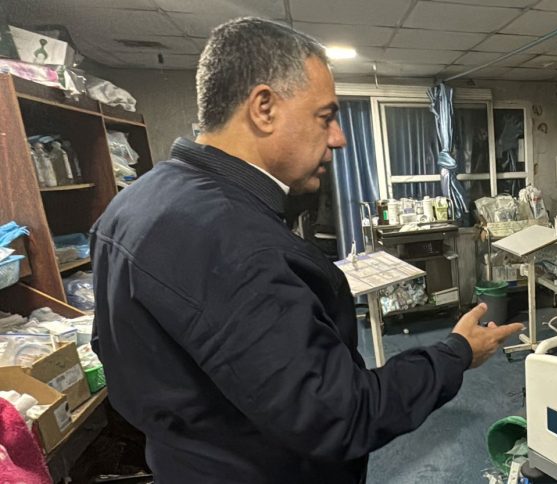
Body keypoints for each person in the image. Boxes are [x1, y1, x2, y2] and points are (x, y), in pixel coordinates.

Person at [90, 17, 523, 483]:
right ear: (264, 108)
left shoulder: (131, 204)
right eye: (326, 116)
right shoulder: (232, 242)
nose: (337, 138)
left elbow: (111, 350)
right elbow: (341, 414)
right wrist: (455, 352)